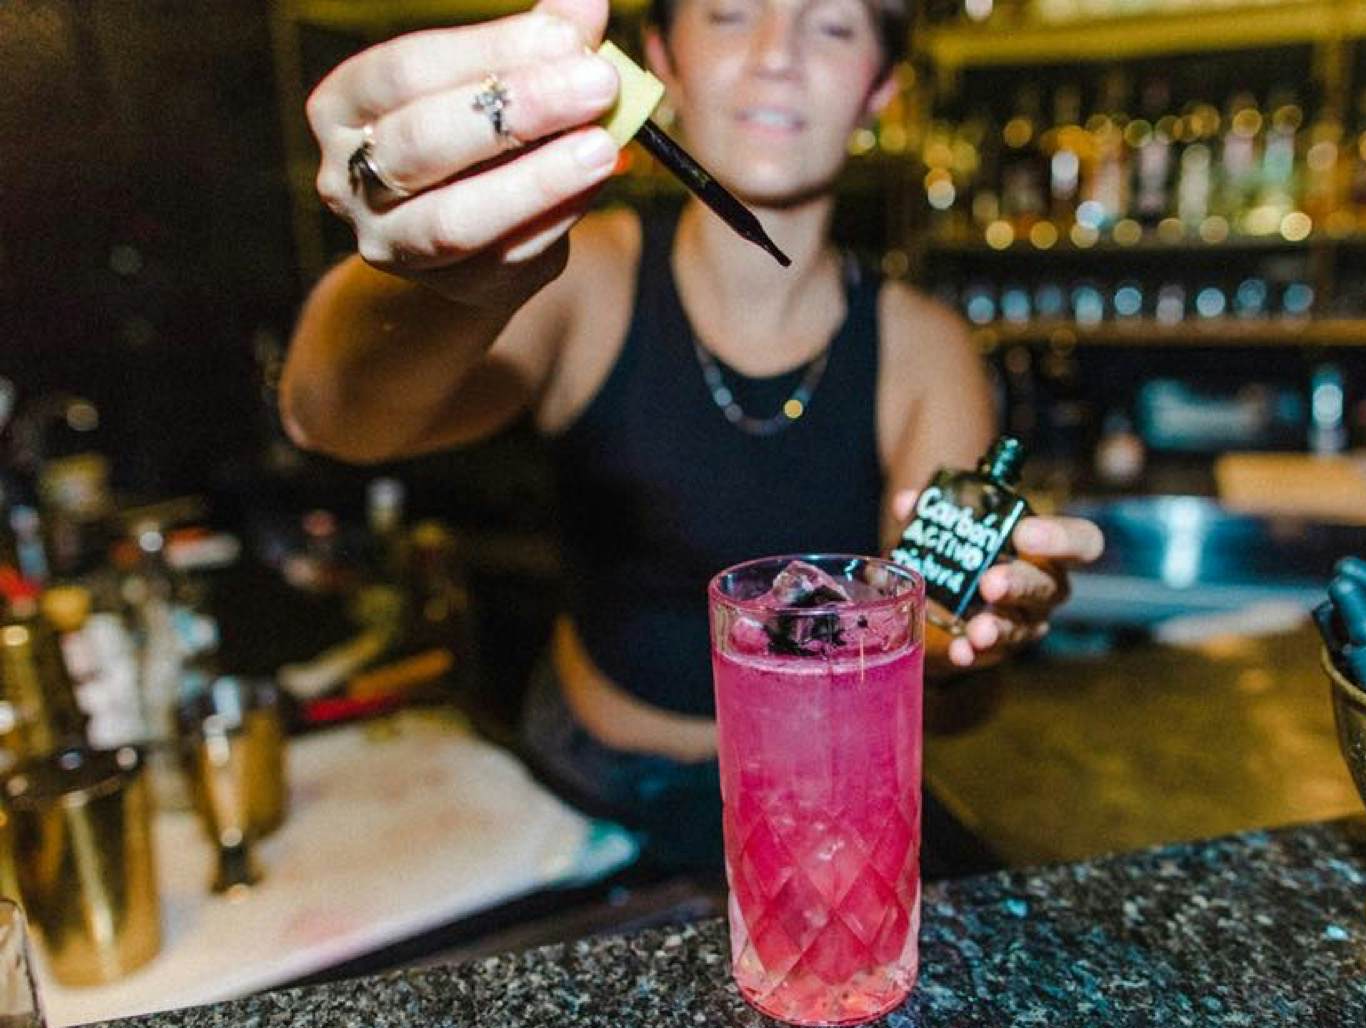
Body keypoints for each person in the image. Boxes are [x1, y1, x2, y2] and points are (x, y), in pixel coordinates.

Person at [282, 0, 1104, 873]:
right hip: (588, 804)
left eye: (830, 26)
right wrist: (434, 264)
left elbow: (945, 691)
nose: (775, 54)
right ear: (660, 58)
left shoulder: (926, 349)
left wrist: (967, 643)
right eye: (728, 12)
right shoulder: (584, 273)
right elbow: (331, 418)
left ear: (881, 88)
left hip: (817, 810)